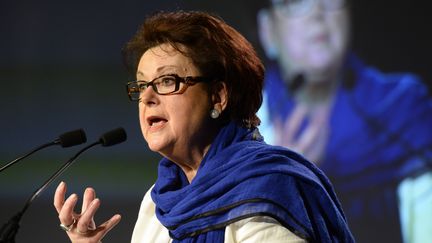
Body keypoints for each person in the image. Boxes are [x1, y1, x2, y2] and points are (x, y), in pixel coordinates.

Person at [53, 10, 354, 243]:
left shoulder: (265, 188)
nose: (146, 97)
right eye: (142, 85)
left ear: (218, 96)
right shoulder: (158, 202)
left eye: (167, 81)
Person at [257, 0, 432, 242]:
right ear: (268, 31)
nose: (317, 12)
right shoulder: (239, 125)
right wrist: (283, 186)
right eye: (296, 1)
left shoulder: (403, 106)